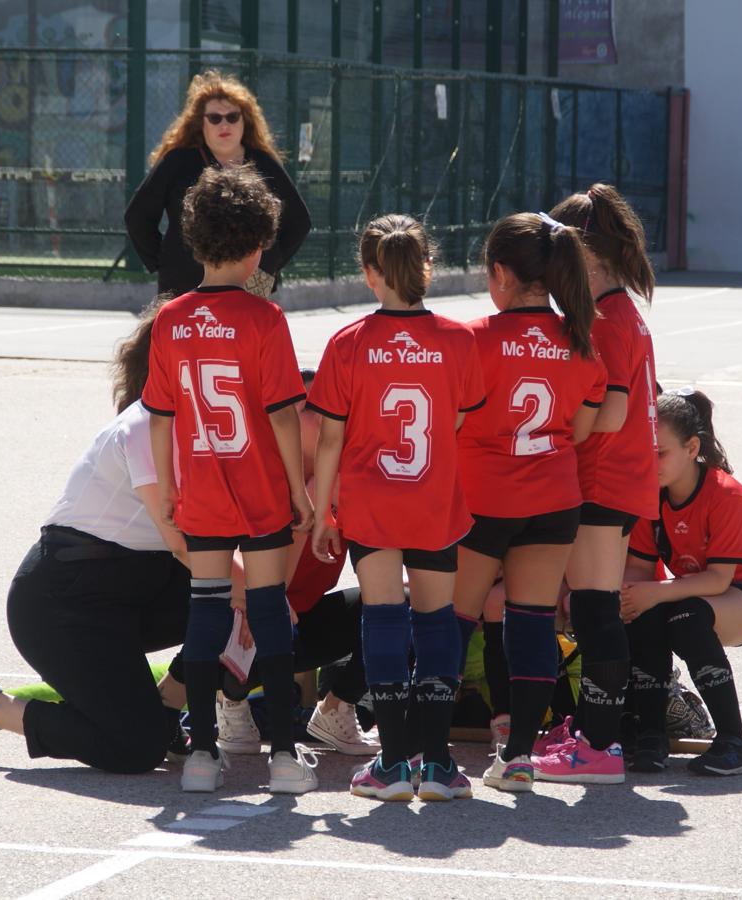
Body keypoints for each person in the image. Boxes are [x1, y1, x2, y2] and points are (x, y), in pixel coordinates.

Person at [0, 297, 195, 775]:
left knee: (230, 599)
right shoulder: (143, 426)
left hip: (130, 594)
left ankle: (166, 710)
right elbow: (184, 540)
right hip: (65, 603)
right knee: (134, 751)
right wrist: (254, 592)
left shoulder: (209, 427)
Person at [141, 165, 316, 794]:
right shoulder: (265, 319)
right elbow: (282, 418)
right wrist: (299, 492)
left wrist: (167, 487)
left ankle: (202, 754)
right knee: (270, 613)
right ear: (256, 242)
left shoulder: (171, 319)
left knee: (207, 615)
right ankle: (286, 756)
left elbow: (159, 418)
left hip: (203, 488)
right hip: (261, 484)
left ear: (195, 238)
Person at [307, 214, 486, 802]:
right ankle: (436, 764)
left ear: (370, 273)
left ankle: (390, 765)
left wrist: (320, 512)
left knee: (382, 618)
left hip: (371, 500)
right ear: (426, 267)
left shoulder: (349, 342)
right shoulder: (459, 340)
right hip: (433, 500)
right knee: (437, 624)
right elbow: (457, 420)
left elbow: (329, 439)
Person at [449, 212, 606, 792]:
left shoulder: (471, 338)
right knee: (533, 625)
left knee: (454, 623)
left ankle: (429, 756)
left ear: (500, 273)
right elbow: (582, 429)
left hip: (482, 499)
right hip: (554, 498)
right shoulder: (582, 342)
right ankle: (517, 758)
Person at [531, 184, 659, 785]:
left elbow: (608, 414)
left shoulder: (608, 319)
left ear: (584, 254)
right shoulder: (619, 310)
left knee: (595, 613)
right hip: (617, 480)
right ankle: (593, 733)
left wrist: (553, 435)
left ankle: (601, 744)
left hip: (604, 481)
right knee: (592, 610)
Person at [621, 388, 742, 775]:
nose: (650, 462)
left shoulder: (726, 495)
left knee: (686, 618)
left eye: (660, 452)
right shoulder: (650, 497)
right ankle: (650, 735)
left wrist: (654, 592)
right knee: (645, 613)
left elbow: (719, 579)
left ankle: (734, 742)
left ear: (691, 446)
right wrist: (630, 595)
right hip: (697, 592)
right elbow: (639, 566)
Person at [216, 369, 380, 757]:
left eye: (329, 409)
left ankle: (336, 709)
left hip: (302, 624)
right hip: (250, 622)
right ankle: (229, 700)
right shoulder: (266, 476)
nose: (323, 417)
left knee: (399, 605)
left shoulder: (346, 480)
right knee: (256, 612)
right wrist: (308, 505)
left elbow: (379, 564)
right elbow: (255, 580)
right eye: (308, 409)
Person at [124, 70, 311, 298]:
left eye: (233, 117)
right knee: (185, 333)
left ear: (245, 121)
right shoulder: (176, 161)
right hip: (184, 280)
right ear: (200, 123)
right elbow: (137, 216)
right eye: (215, 118)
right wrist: (163, 262)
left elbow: (299, 221)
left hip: (253, 281)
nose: (225, 124)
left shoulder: (264, 163)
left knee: (249, 333)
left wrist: (270, 264)